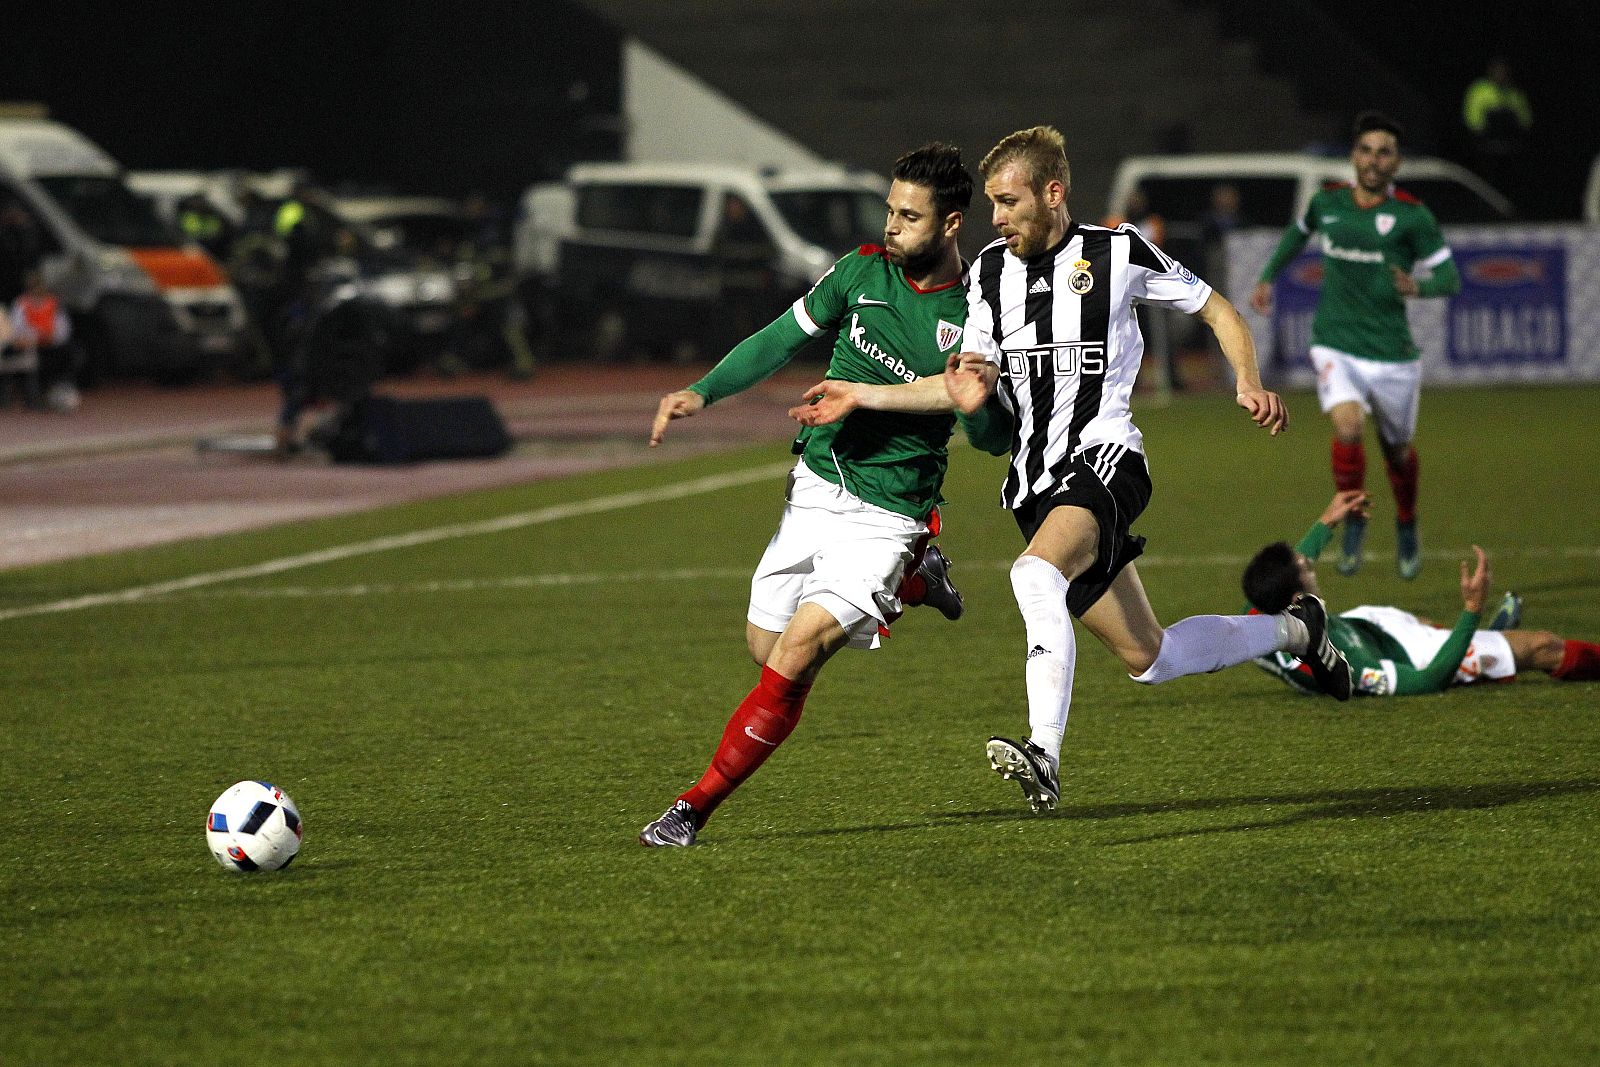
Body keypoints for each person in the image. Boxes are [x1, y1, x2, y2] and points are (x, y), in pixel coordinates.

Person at [792, 125, 1353, 816]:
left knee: (1034, 573)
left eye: (1006, 201)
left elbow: (1216, 308)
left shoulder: (1116, 253)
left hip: (1107, 459)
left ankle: (1044, 753)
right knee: (1152, 657)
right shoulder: (991, 275)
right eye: (991, 203)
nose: (994, 218)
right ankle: (1300, 630)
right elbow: (963, 382)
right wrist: (864, 393)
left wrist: (1247, 379)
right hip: (1037, 486)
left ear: (1053, 193)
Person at [638, 143, 1011, 847]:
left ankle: (691, 808)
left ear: (953, 222)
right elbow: (781, 337)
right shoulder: (862, 271)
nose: (893, 226)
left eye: (909, 215)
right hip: (815, 485)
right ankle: (916, 580)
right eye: (890, 211)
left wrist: (975, 402)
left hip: (889, 511)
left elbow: (992, 438)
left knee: (796, 654)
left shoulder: (979, 312)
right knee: (765, 645)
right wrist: (701, 391)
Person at [1251, 111, 1461, 580]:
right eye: (1365, 150)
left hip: (1392, 353)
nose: (1373, 159)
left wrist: (1418, 288)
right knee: (1347, 428)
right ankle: (1352, 522)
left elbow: (1450, 277)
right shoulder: (1328, 203)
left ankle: (1406, 521)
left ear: (1396, 162)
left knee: (1397, 451)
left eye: (1384, 151)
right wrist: (1267, 277)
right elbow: (1296, 234)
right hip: (1335, 341)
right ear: (1353, 157)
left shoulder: (1412, 215)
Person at [1243, 490, 1600, 696]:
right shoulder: (1342, 667)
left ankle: (1480, 638)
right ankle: (1478, 640)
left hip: (1362, 625)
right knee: (1542, 646)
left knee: (1420, 623)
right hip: (1405, 657)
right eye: (1304, 571)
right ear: (1295, 599)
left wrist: (1327, 521)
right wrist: (1472, 608)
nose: (1310, 565)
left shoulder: (1258, 612)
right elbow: (1427, 681)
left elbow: (1287, 572)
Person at [1462, 57, 1532, 201]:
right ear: (1491, 71)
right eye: (1498, 70)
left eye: (1504, 71)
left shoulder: (1514, 92)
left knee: (1512, 183)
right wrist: (1486, 131)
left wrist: (1511, 123)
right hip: (1486, 147)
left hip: (1510, 147)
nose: (1501, 74)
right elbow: (1472, 118)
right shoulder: (1480, 89)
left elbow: (1525, 120)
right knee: (1487, 183)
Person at [9, 270, 79, 412]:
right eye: (32, 286)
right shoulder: (21, 304)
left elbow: (63, 331)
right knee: (28, 358)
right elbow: (16, 330)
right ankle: (33, 396)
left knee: (72, 352)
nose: (36, 289)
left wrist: (48, 337)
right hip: (30, 347)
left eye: (38, 285)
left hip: (51, 346)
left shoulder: (53, 303)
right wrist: (31, 339)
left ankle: (62, 389)